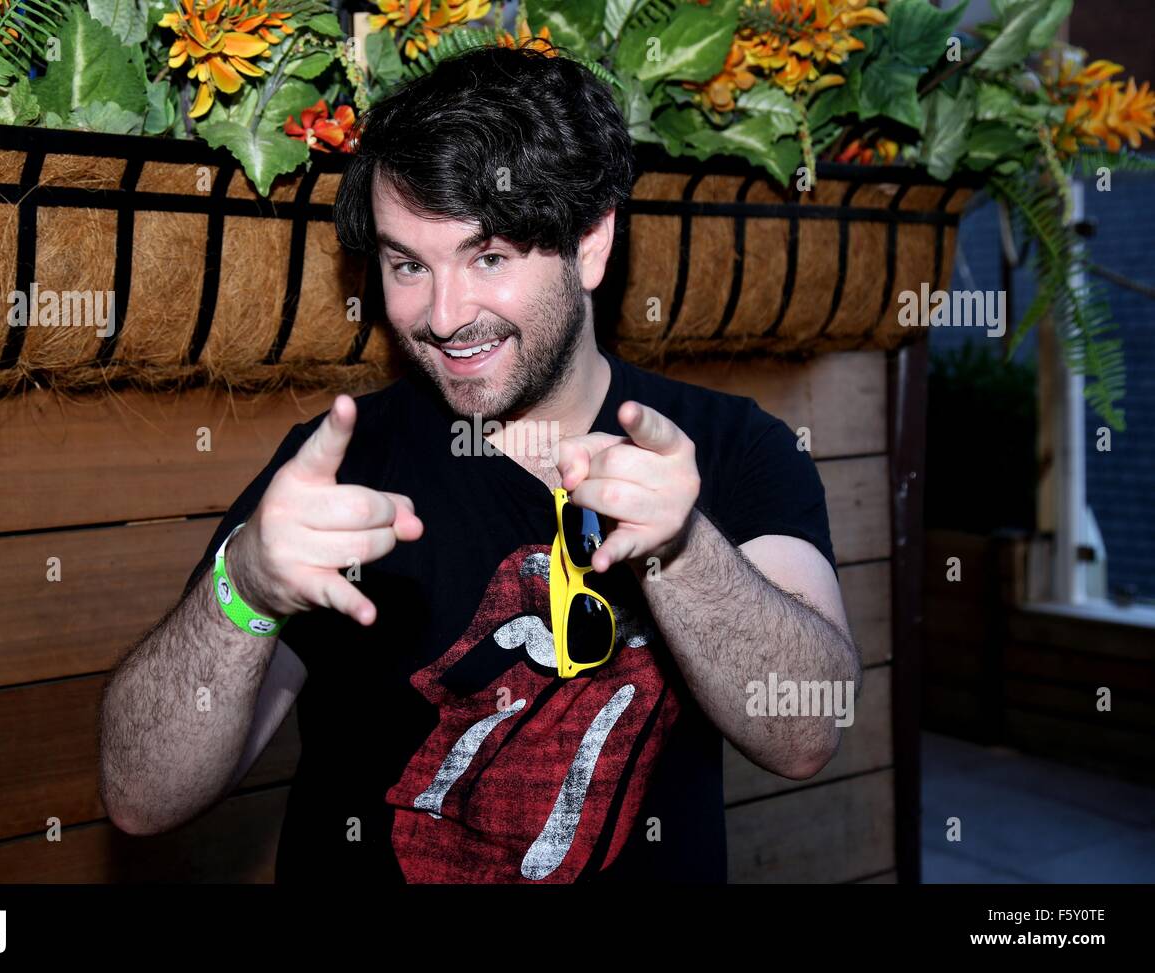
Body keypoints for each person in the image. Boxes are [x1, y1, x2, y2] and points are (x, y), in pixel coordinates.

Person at [98, 44, 860, 884]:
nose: (445, 315)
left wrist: (682, 549)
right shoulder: (340, 470)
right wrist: (243, 588)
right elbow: (140, 795)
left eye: (488, 256)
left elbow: (806, 733)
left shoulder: (730, 444)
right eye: (406, 265)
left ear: (592, 243)